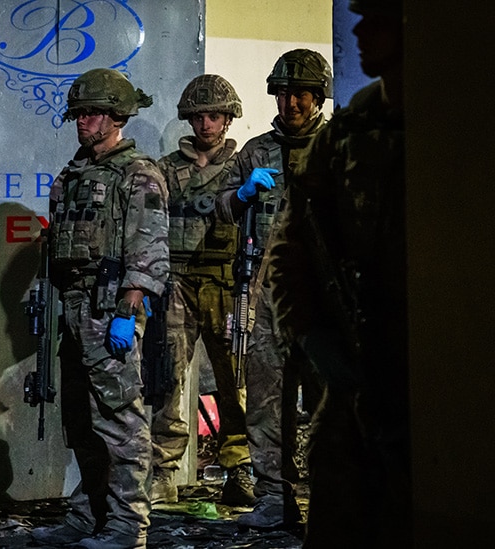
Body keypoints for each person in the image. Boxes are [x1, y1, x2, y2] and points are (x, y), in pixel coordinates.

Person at [268, 1, 407, 546]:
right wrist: (307, 329)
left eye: (378, 21)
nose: (359, 31)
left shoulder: (460, 122)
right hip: (361, 360)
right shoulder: (349, 133)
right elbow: (291, 241)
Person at [29, 68, 170, 549]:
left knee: (120, 418)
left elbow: (150, 249)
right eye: (78, 114)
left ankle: (129, 523)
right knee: (81, 416)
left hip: (110, 306)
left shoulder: (138, 173)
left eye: (91, 113)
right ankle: (90, 509)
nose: (82, 122)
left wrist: (129, 311)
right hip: (72, 306)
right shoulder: (71, 174)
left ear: (116, 116)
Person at [215, 49, 332, 528]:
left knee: (328, 401)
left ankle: (330, 503)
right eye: (282, 94)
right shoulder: (256, 151)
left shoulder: (338, 146)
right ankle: (272, 500)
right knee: (265, 401)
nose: (290, 104)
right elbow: (217, 207)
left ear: (317, 96)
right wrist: (238, 194)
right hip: (265, 295)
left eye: (299, 94)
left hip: (326, 294)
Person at [149, 74, 255, 508]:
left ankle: (240, 468)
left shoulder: (243, 168)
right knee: (165, 380)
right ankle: (162, 471)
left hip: (226, 283)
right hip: (175, 282)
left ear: (228, 120)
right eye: (198, 116)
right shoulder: (165, 168)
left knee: (235, 383)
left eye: (214, 115)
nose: (206, 124)